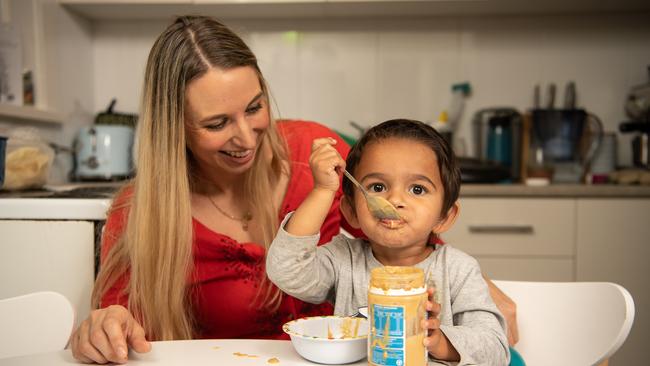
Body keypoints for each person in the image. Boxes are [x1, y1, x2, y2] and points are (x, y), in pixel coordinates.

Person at [70, 15, 517, 365]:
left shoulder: (314, 151)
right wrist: (105, 328)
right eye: (217, 123)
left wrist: (467, 284)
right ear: (175, 131)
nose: (246, 137)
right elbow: (122, 328)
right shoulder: (138, 213)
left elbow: (397, 222)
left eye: (254, 107)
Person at [266, 119, 509, 365]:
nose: (394, 199)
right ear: (350, 211)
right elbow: (286, 269)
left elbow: (495, 348)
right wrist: (322, 190)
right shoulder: (344, 259)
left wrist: (440, 341)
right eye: (378, 186)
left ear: (444, 217)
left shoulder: (458, 270)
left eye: (417, 189)